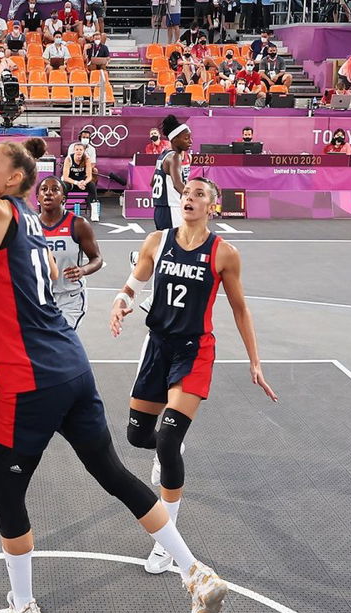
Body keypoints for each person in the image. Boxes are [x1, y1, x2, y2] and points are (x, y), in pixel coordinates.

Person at [0, 138, 228, 613]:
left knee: (6, 491)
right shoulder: (32, 224)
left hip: (28, 379)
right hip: (72, 366)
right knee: (112, 472)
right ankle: (195, 572)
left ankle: (24, 609)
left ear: (14, 180)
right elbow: (50, 273)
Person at [111, 175, 276, 574]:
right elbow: (133, 285)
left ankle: (167, 543)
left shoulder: (223, 254)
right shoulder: (157, 241)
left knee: (167, 440)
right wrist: (121, 302)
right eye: (186, 194)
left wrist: (255, 361)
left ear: (212, 206)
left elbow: (240, 309)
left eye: (199, 195)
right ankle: (170, 450)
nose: (189, 199)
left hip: (194, 351)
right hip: (157, 348)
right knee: (138, 436)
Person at [37, 176, 103, 329]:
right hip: (41, 298)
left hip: (70, 298)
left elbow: (97, 258)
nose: (48, 193)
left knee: (59, 342)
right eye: (44, 189)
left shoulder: (78, 224)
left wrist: (83, 270)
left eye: (55, 190)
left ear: (63, 199)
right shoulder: (31, 226)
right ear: (38, 198)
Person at [151, 115, 193, 231]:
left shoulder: (163, 155)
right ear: (174, 140)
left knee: (166, 245)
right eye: (186, 138)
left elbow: (152, 182)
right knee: (178, 246)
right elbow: (177, 184)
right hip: (172, 208)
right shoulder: (175, 157)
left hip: (161, 209)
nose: (191, 141)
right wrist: (196, 198)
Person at [61, 141, 98, 210]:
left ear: (84, 151)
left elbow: (89, 176)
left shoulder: (87, 159)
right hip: (71, 182)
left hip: (82, 182)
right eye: (77, 150)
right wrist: (76, 183)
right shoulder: (69, 159)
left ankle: (94, 211)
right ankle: (62, 209)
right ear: (74, 150)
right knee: (64, 185)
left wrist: (84, 182)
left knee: (92, 185)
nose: (79, 151)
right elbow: (65, 177)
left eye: (81, 150)